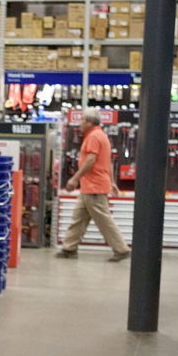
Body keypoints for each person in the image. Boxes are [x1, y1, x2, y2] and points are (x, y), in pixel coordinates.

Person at [57, 107, 130, 262]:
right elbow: (108, 162)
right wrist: (112, 181)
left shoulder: (94, 137)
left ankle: (121, 249)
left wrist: (74, 178)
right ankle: (69, 248)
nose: (80, 123)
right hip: (89, 187)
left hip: (94, 186)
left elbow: (91, 161)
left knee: (104, 219)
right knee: (78, 218)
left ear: (89, 122)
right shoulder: (100, 135)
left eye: (82, 120)